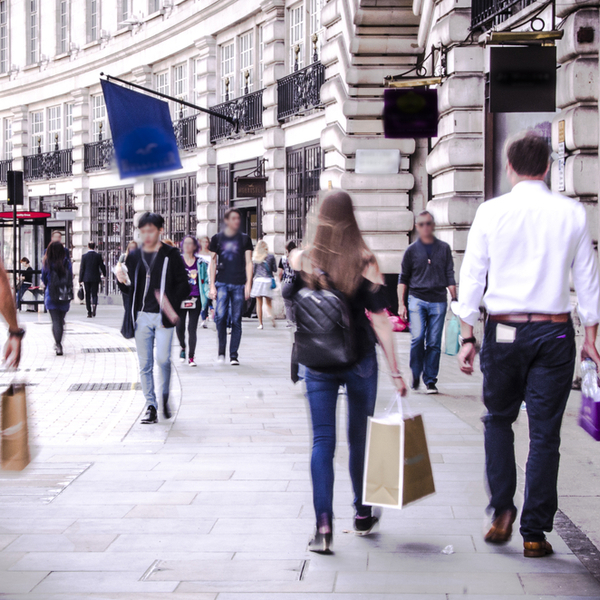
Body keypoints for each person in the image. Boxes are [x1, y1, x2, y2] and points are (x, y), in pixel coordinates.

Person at [457, 131, 600, 558]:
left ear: (509, 166)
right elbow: (588, 281)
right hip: (554, 334)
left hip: (502, 330)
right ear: (547, 167)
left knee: (498, 421)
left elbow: (472, 276)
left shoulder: (490, 211)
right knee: (545, 435)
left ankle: (502, 510)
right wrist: (591, 337)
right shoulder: (573, 213)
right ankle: (535, 533)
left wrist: (467, 335)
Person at [284, 191, 408, 555]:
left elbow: (287, 297)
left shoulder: (307, 259)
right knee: (359, 439)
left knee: (322, 442)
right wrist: (396, 372)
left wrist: (296, 259)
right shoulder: (365, 260)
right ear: (352, 218)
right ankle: (362, 512)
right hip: (359, 361)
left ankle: (323, 527)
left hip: (317, 362)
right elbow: (382, 322)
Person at [116, 213, 189, 424]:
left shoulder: (171, 254)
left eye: (150, 230)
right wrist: (122, 281)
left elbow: (184, 285)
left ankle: (165, 396)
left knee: (163, 360)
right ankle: (151, 405)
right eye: (142, 231)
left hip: (163, 317)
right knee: (145, 364)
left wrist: (169, 302)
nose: (146, 235)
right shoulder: (135, 255)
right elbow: (130, 289)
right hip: (141, 317)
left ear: (160, 231)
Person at [397, 210, 456, 394]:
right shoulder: (411, 250)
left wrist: (454, 298)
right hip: (417, 298)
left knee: (434, 342)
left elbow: (449, 275)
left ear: (433, 225)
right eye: (421, 224)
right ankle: (415, 372)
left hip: (438, 299)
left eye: (428, 223)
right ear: (417, 227)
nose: (425, 227)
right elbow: (403, 279)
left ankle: (430, 380)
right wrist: (401, 304)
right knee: (417, 337)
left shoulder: (444, 248)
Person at [209, 208, 253, 366]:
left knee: (236, 320)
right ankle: (221, 351)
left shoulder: (245, 239)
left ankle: (233, 355)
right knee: (220, 317)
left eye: (238, 219)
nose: (236, 221)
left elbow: (249, 262)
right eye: (233, 218)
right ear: (226, 220)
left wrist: (248, 284)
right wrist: (211, 285)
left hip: (238, 284)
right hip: (221, 283)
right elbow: (212, 262)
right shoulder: (217, 239)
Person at [176, 235, 209, 367]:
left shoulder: (200, 263)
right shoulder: (177, 261)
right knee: (180, 328)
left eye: (190, 243)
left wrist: (208, 295)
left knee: (192, 329)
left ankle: (191, 357)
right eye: (185, 243)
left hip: (195, 298)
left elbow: (205, 281)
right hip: (180, 299)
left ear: (195, 246)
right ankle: (183, 347)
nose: (188, 246)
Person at [42, 242, 73, 356]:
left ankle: (58, 344)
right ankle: (59, 341)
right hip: (64, 294)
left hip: (51, 295)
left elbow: (44, 278)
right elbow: (70, 277)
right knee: (60, 320)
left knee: (55, 321)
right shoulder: (67, 263)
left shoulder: (47, 263)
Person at [251, 240, 277, 330]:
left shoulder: (255, 257)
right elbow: (275, 269)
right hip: (268, 280)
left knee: (259, 303)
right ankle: (271, 315)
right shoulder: (271, 256)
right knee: (269, 302)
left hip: (258, 280)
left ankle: (260, 324)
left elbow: (253, 271)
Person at [79, 242, 106, 318]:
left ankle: (89, 311)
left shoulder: (84, 256)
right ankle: (94, 306)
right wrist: (104, 274)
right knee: (94, 294)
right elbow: (102, 266)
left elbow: (82, 268)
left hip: (86, 278)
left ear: (88, 247)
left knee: (87, 294)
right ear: (95, 247)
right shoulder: (98, 256)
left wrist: (80, 279)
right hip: (95, 278)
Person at [278, 241, 297, 327]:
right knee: (295, 302)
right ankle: (296, 320)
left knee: (287, 303)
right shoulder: (297, 258)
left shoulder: (283, 259)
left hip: (286, 282)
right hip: (295, 282)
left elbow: (280, 272)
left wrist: (280, 281)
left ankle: (290, 321)